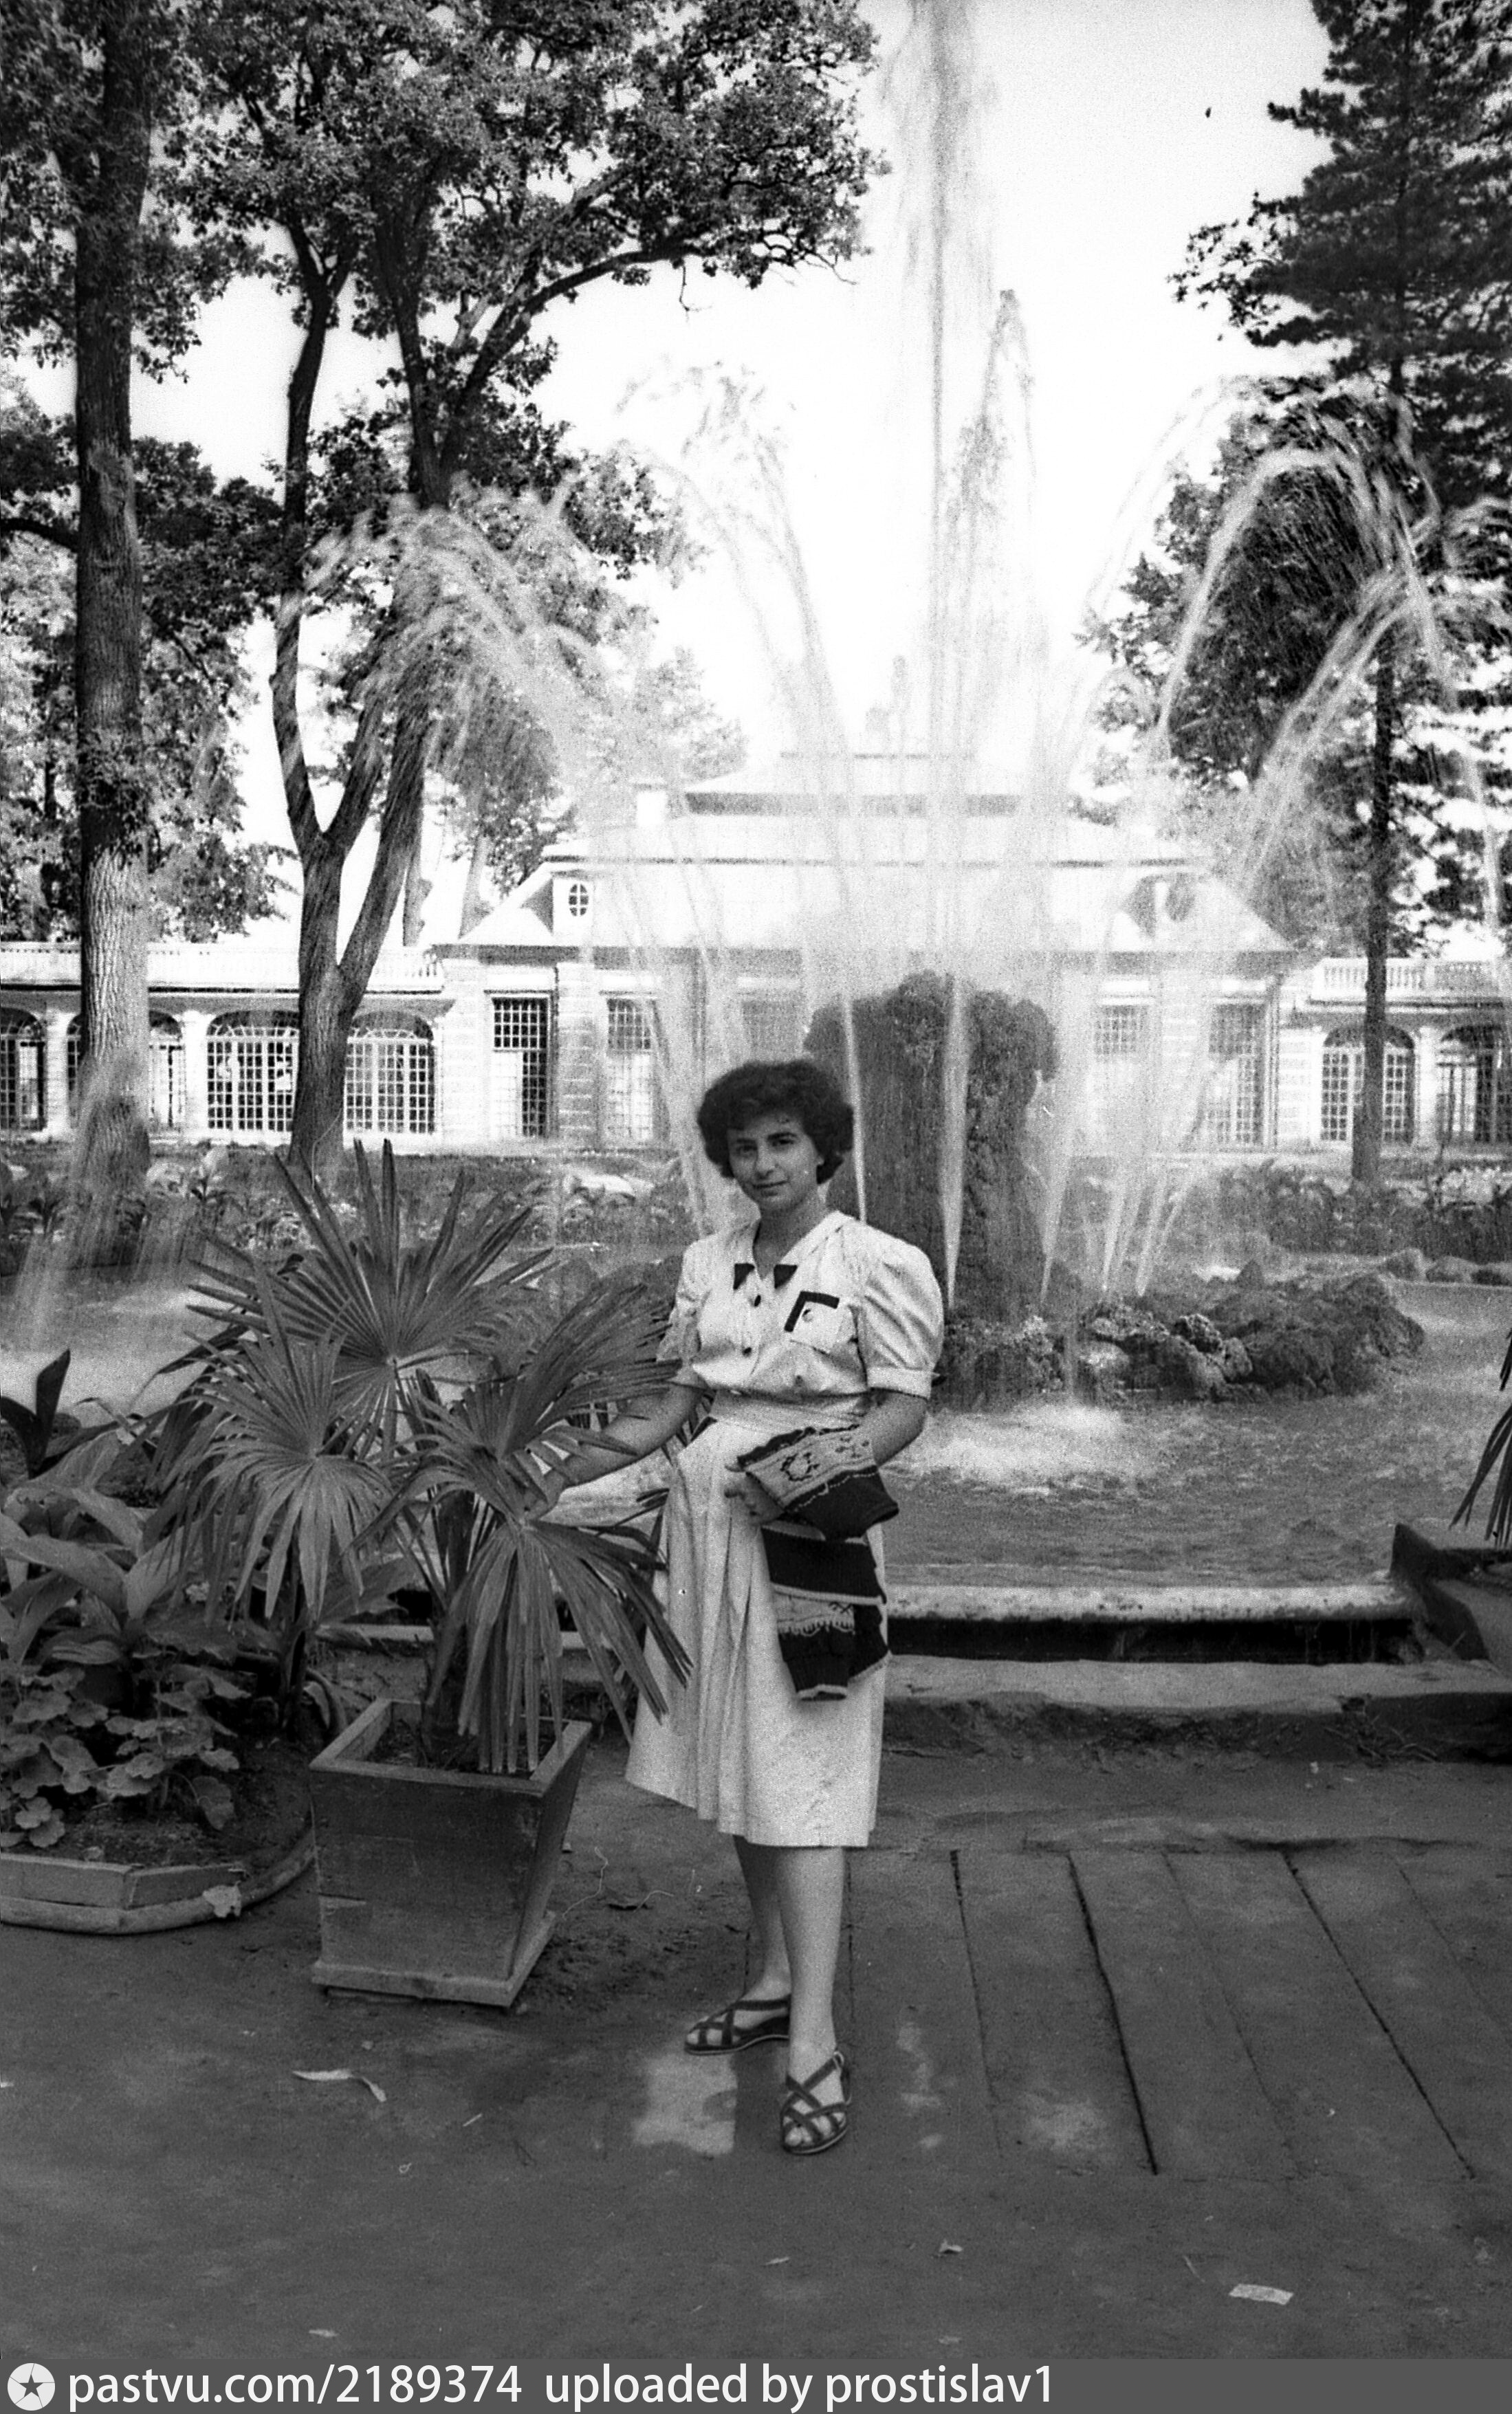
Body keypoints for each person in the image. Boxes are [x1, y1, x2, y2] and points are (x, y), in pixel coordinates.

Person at [555, 1057, 943, 2158]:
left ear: (823, 1150)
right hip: (704, 1535)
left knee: (805, 1777)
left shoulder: (879, 1264)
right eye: (744, 1146)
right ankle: (772, 1981)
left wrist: (814, 1469)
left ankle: (815, 2042)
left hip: (811, 1537)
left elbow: (902, 1406)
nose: (763, 1165)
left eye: (783, 1143)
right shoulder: (708, 1262)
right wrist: (548, 1471)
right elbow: (669, 1413)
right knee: (743, 1760)